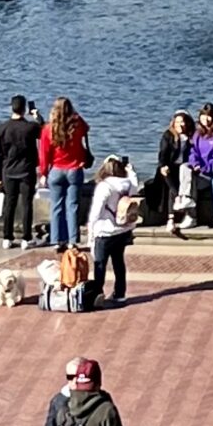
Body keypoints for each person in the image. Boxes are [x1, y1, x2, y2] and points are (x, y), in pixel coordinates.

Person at [81, 155, 141, 310]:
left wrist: (90, 229)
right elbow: (135, 183)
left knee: (100, 264)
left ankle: (97, 294)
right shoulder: (128, 184)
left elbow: (96, 211)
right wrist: (131, 170)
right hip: (122, 230)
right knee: (118, 262)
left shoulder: (104, 186)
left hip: (105, 231)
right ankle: (120, 294)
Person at [40, 97, 92, 250]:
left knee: (56, 206)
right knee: (72, 206)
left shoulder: (48, 129)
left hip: (56, 169)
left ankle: (57, 239)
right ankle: (72, 240)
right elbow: (87, 128)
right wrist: (76, 116)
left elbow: (44, 154)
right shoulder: (77, 125)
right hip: (74, 169)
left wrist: (43, 172)